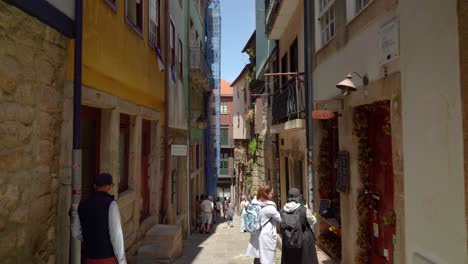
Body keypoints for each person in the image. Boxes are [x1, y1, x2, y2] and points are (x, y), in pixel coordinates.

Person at [71, 173, 126, 264]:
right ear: (109, 187)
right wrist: (122, 260)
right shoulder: (111, 205)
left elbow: (76, 232)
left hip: (89, 258)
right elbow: (116, 235)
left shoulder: (82, 204)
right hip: (107, 258)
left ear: (94, 186)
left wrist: (91, 240)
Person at [280, 188, 319, 264]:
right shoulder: (304, 210)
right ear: (298, 197)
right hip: (304, 240)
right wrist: (308, 210)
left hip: (288, 240)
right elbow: (313, 221)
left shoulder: (282, 211)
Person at [246, 185, 281, 264]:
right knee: (267, 259)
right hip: (266, 235)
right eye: (271, 194)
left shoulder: (254, 204)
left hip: (256, 234)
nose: (272, 196)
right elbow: (280, 219)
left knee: (258, 257)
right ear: (266, 194)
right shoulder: (270, 208)